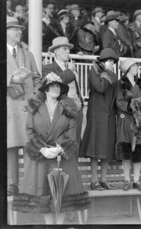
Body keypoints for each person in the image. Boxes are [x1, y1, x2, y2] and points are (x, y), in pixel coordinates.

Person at [12, 73, 90, 224]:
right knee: (44, 196)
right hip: (41, 158)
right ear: (45, 90)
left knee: (63, 197)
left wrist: (59, 148)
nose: (55, 88)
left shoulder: (68, 108)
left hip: (62, 158)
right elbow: (29, 130)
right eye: (51, 86)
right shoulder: (34, 108)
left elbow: (72, 131)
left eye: (58, 86)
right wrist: (42, 149)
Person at [7, 16, 41, 196]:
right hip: (9, 106)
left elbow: (37, 78)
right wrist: (10, 79)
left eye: (20, 29)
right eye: (15, 29)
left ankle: (29, 183)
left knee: (29, 144)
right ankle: (12, 183)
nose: (19, 31)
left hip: (27, 107)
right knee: (10, 145)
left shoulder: (28, 55)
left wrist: (34, 96)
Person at [79, 48, 119, 190]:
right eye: (110, 61)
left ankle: (103, 179)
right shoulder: (94, 71)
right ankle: (94, 180)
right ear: (103, 61)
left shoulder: (110, 74)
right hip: (96, 116)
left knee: (107, 149)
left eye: (113, 62)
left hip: (109, 115)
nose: (112, 64)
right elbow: (100, 87)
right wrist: (107, 72)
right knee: (95, 148)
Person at [115, 59, 141, 191]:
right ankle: (126, 180)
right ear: (127, 68)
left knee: (139, 151)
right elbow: (119, 102)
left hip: (140, 121)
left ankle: (136, 181)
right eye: (134, 66)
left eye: (136, 65)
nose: (137, 67)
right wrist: (133, 107)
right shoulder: (121, 84)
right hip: (126, 119)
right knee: (126, 150)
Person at [42, 37, 84, 156]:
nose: (68, 52)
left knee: (74, 144)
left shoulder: (71, 68)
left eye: (68, 49)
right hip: (60, 112)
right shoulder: (48, 68)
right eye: (65, 49)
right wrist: (70, 72)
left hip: (76, 110)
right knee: (60, 145)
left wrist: (80, 102)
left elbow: (77, 88)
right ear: (56, 51)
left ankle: (73, 173)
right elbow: (53, 85)